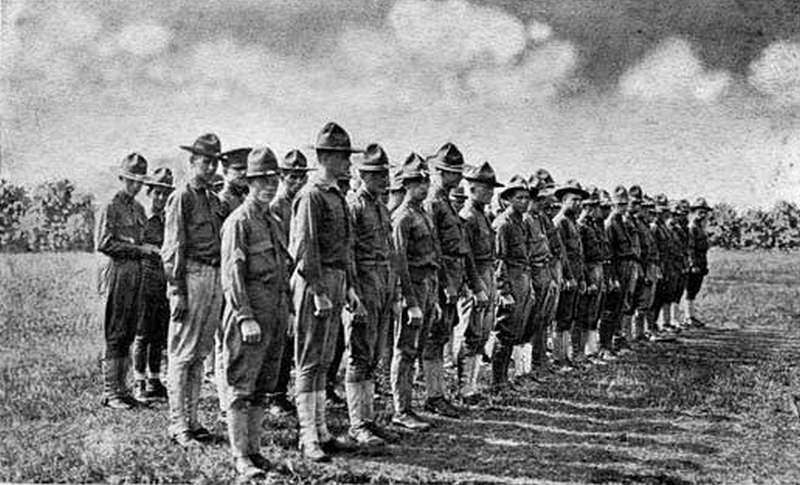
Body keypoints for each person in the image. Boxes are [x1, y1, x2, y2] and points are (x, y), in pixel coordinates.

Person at [289, 122, 364, 462]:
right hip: (314, 283)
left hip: (334, 280)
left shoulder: (335, 194)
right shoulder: (311, 195)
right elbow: (304, 249)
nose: (348, 161)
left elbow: (344, 246)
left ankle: (321, 429)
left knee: (323, 359)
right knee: (308, 359)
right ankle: (308, 436)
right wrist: (318, 289)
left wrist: (347, 287)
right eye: (342, 155)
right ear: (324, 157)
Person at [218, 146, 289, 479]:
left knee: (262, 386)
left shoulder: (272, 221)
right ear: (249, 182)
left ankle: (255, 450)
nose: (269, 186)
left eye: (273, 179)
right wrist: (244, 316)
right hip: (250, 315)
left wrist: (285, 311)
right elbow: (232, 275)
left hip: (273, 313)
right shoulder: (239, 222)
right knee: (241, 388)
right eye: (262, 180)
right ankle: (240, 456)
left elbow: (281, 269)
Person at [162, 133, 226, 446]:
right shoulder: (182, 197)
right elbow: (173, 247)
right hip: (191, 275)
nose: (211, 167)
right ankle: (178, 425)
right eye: (206, 161)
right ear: (192, 162)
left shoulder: (213, 199)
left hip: (213, 276)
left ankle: (193, 420)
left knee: (200, 355)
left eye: (215, 161)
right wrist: (176, 291)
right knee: (182, 355)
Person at [423, 143, 486, 418]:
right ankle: (433, 395)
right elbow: (433, 248)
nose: (457, 177)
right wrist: (445, 283)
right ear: (436, 172)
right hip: (441, 279)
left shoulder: (447, 203)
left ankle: (438, 394)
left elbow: (463, 249)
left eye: (458, 172)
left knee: (441, 335)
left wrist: (472, 283)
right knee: (434, 339)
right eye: (450, 172)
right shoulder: (433, 203)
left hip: (455, 276)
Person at [95, 152, 157, 409]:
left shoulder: (138, 208)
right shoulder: (110, 205)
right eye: (131, 180)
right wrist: (140, 250)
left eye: (139, 181)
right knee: (115, 331)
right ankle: (111, 393)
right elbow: (104, 242)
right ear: (121, 177)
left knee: (130, 330)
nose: (135, 186)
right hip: (116, 272)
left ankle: (124, 389)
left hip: (135, 274)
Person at [345, 143, 396, 446]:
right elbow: (348, 251)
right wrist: (352, 292)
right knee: (359, 354)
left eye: (385, 175)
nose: (383, 180)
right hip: (363, 283)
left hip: (383, 283)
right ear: (363, 175)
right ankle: (356, 423)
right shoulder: (355, 205)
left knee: (374, 354)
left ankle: (369, 419)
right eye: (376, 175)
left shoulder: (380, 206)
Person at [391, 153, 440, 431]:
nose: (423, 187)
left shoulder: (423, 213)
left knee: (418, 347)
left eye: (426, 181)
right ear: (406, 185)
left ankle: (410, 406)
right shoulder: (403, 218)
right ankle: (402, 409)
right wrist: (410, 302)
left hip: (429, 285)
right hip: (414, 286)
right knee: (405, 348)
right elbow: (399, 262)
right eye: (417, 182)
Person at [267, 149, 315, 418]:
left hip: (299, 275)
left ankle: (289, 392)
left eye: (301, 177)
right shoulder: (277, 207)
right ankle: (275, 395)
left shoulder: (303, 202)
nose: (297, 182)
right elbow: (284, 247)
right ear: (282, 177)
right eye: (292, 177)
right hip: (284, 276)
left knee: (296, 337)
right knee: (281, 340)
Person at [455, 162, 503, 403]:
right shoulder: (467, 217)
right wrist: (476, 287)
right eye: (485, 188)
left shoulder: (483, 216)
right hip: (475, 277)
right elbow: (467, 255)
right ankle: (464, 389)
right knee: (470, 332)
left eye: (491, 188)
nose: (490, 192)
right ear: (472, 189)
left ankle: (472, 387)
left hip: (488, 273)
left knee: (482, 333)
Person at [205, 148, 250, 389]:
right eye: (237, 169)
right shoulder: (222, 202)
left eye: (246, 169)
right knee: (225, 338)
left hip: (245, 275)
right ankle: (226, 398)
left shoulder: (245, 199)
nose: (243, 174)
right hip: (228, 275)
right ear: (225, 171)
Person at [132, 167, 174, 403]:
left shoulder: (168, 219)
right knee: (142, 333)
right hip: (144, 279)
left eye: (165, 194)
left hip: (163, 280)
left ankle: (154, 379)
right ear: (149, 192)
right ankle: (139, 381)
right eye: (157, 193)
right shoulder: (141, 217)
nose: (161, 198)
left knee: (159, 332)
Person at [491, 176, 535, 391]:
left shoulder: (521, 222)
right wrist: (503, 291)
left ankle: (507, 378)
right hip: (511, 279)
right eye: (519, 198)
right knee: (505, 330)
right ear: (507, 200)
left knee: (518, 330)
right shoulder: (503, 224)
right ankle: (498, 381)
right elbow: (499, 260)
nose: (524, 202)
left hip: (523, 278)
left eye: (527, 197)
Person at [600, 186, 639, 356]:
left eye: (625, 204)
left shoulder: (621, 223)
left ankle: (616, 340)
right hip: (616, 268)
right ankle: (605, 345)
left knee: (621, 306)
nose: (622, 207)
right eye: (619, 204)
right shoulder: (610, 224)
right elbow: (610, 255)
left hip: (626, 267)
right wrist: (612, 277)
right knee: (611, 308)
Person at [552, 181, 588, 370]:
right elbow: (561, 253)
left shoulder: (573, 222)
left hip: (575, 275)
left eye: (580, 201)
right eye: (574, 200)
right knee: (562, 317)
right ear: (563, 201)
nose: (578, 204)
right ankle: (559, 358)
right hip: (566, 277)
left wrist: (581, 277)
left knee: (570, 316)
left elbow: (578, 254)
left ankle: (566, 356)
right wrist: (567, 277)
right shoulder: (560, 222)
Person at [523, 181, 557, 372]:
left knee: (543, 318)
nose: (543, 204)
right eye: (539, 200)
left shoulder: (539, 219)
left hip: (543, 271)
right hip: (532, 272)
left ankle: (540, 360)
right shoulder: (527, 220)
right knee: (531, 320)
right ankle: (531, 365)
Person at [575, 187, 606, 361]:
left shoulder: (594, 226)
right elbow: (581, 256)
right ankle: (579, 352)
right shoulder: (581, 226)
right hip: (588, 270)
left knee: (594, 312)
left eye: (595, 206)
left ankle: (591, 350)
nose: (594, 210)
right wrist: (587, 279)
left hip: (597, 268)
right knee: (584, 313)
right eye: (591, 206)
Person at [628, 186, 660, 342]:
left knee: (647, 301)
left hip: (648, 267)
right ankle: (636, 333)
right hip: (641, 267)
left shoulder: (645, 226)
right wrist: (644, 270)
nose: (647, 212)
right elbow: (639, 250)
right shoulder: (635, 224)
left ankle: (641, 333)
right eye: (645, 209)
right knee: (639, 303)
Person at [649, 194, 677, 333]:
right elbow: (654, 249)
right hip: (658, 265)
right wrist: (659, 267)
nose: (662, 214)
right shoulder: (654, 227)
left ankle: (657, 324)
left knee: (662, 296)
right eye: (660, 211)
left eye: (664, 211)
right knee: (654, 298)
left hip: (666, 265)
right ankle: (651, 325)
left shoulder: (663, 227)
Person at [685, 197, 711, 326]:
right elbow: (690, 247)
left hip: (701, 262)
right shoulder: (692, 227)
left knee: (694, 290)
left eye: (705, 211)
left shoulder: (701, 228)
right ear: (694, 212)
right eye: (700, 211)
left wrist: (703, 264)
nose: (703, 214)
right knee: (690, 290)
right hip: (694, 263)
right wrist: (693, 264)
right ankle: (688, 316)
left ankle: (691, 315)